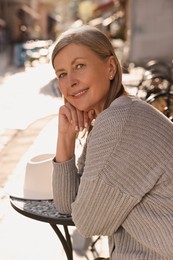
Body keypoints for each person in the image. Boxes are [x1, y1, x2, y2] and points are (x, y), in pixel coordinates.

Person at [51, 25, 173, 259]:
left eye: (79, 66)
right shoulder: (114, 116)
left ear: (110, 68)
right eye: (62, 74)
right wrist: (66, 137)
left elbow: (87, 223)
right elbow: (67, 206)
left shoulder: (120, 123)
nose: (70, 81)